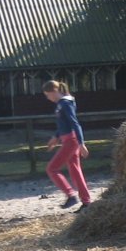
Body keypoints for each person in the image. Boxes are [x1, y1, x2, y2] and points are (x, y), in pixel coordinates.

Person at [42, 79, 92, 210]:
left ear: (54, 91)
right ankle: (86, 202)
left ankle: (71, 195)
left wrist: (81, 143)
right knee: (75, 171)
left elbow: (74, 123)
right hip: (67, 139)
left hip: (71, 140)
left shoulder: (65, 103)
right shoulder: (61, 104)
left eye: (48, 95)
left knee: (52, 168)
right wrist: (56, 137)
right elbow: (63, 124)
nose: (48, 98)